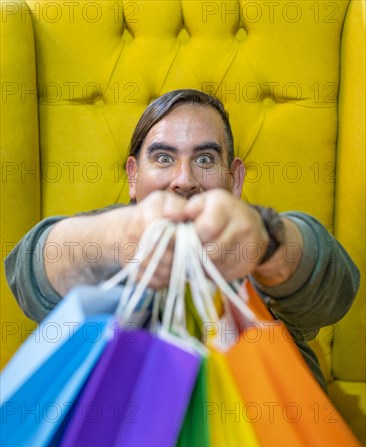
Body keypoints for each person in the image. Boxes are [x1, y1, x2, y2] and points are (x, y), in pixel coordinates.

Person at [5, 89, 360, 391]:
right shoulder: (109, 234)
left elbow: (335, 289)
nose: (184, 179)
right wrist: (118, 236)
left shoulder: (255, 244)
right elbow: (28, 270)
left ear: (234, 180)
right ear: (133, 175)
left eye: (205, 158)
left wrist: (266, 240)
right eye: (163, 157)